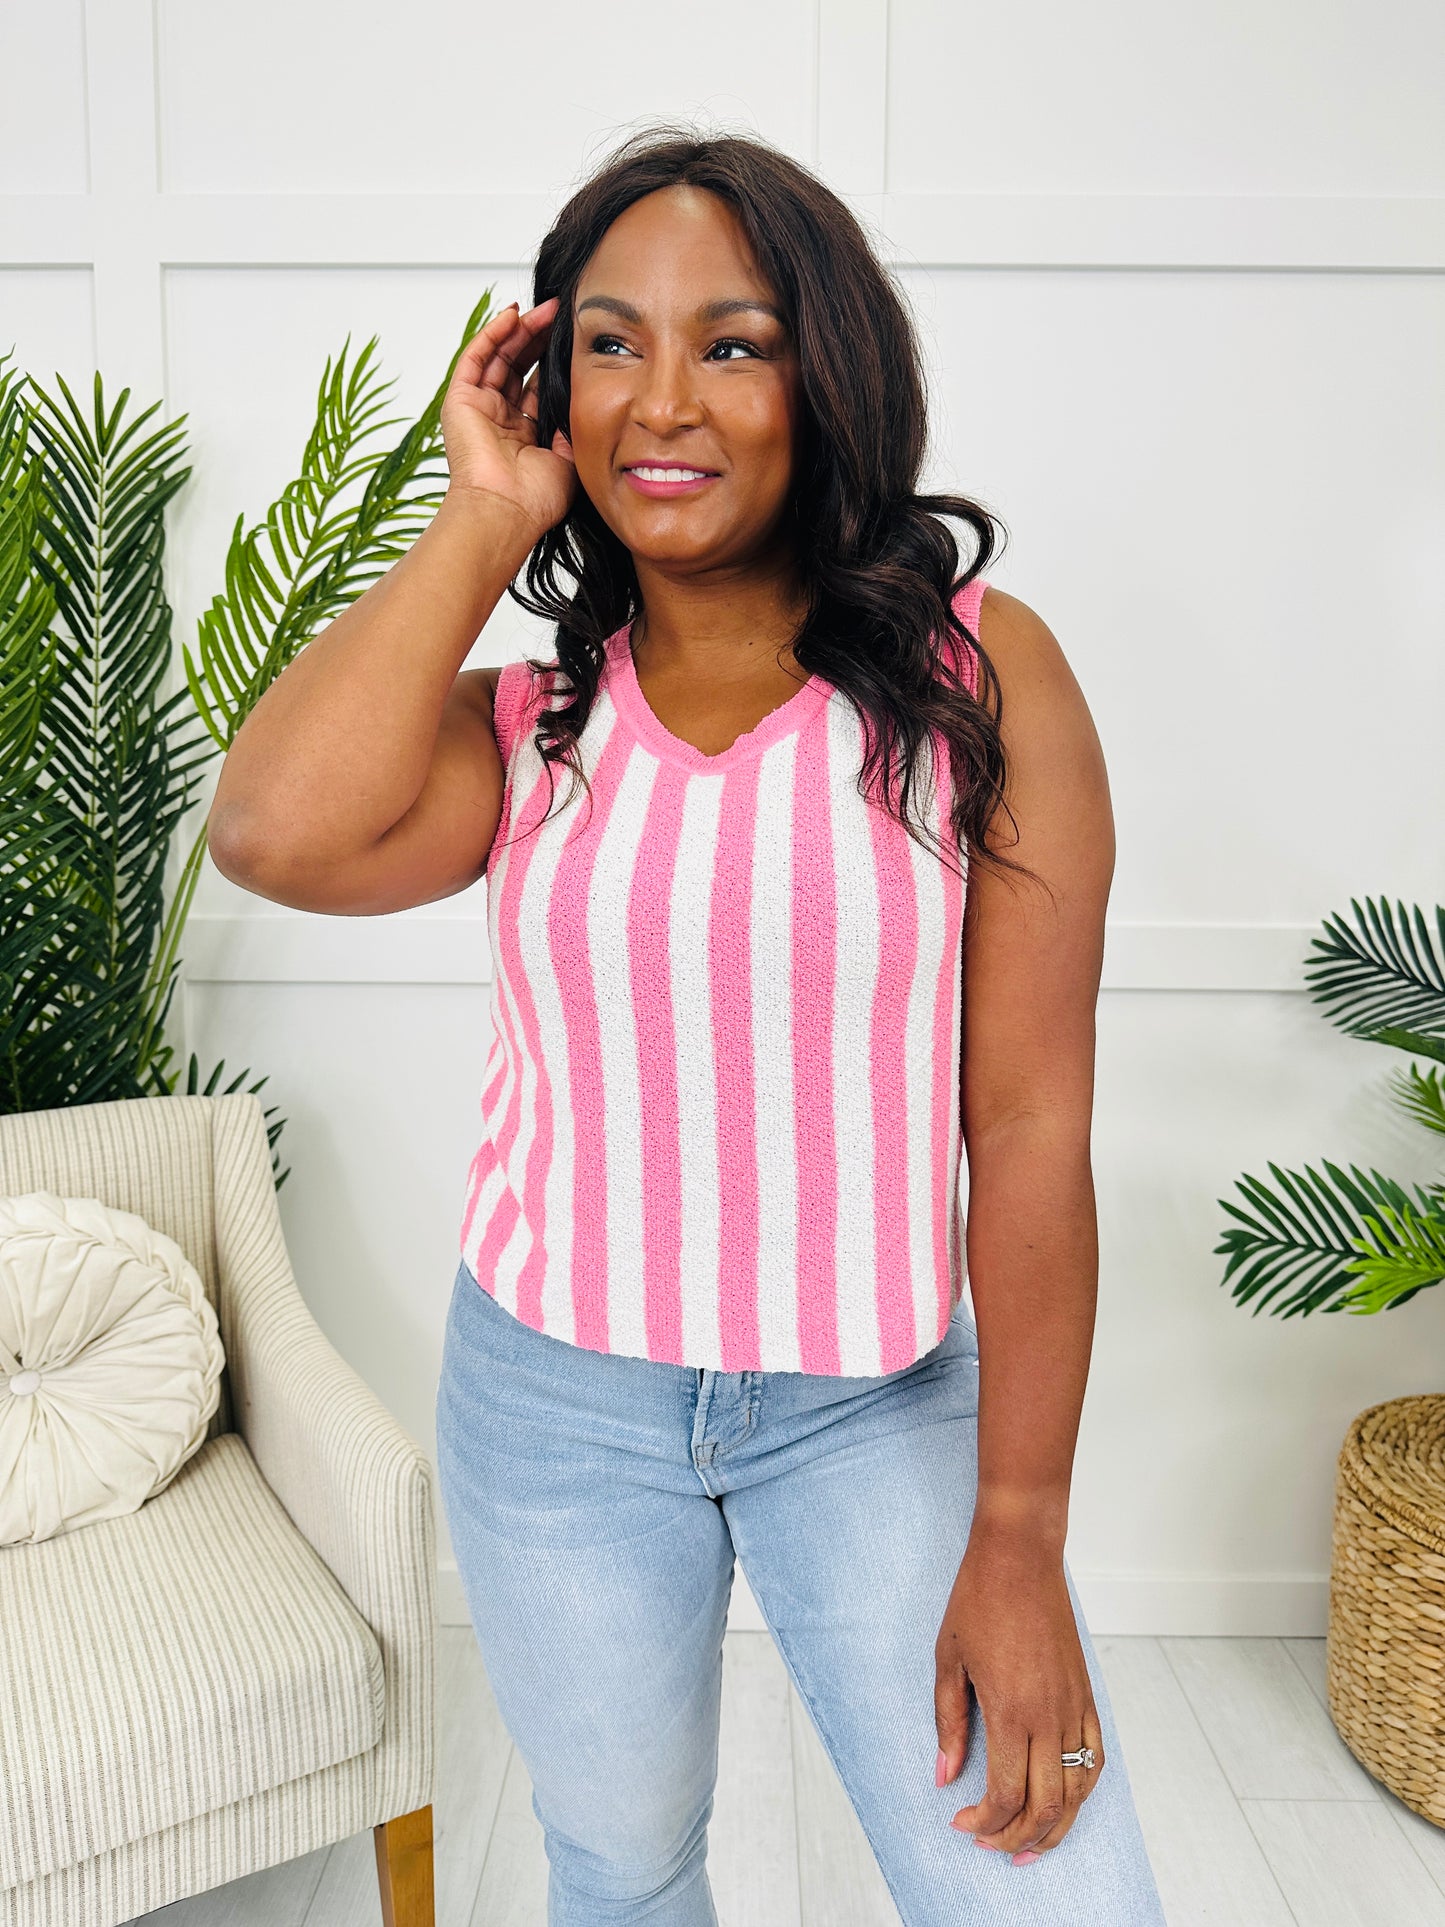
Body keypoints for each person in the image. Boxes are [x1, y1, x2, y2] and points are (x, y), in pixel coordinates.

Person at [208, 127, 1167, 1927]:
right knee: (623, 1873)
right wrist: (482, 515)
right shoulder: (529, 724)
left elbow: (1029, 1122)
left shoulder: (978, 679)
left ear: (825, 375)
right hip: (552, 1402)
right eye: (610, 346)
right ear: (548, 389)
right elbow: (269, 831)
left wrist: (1019, 1530)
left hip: (867, 1403)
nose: (662, 400)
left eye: (732, 343)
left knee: (1053, 1899)